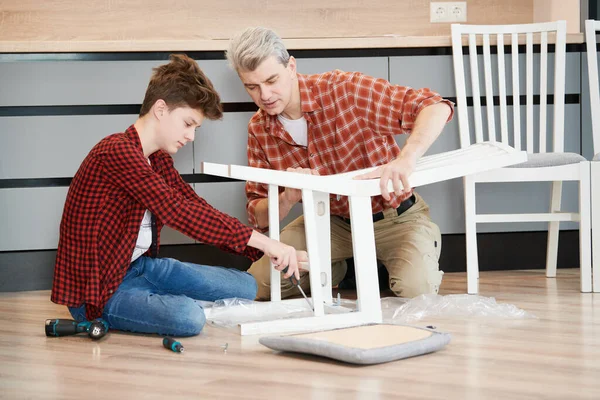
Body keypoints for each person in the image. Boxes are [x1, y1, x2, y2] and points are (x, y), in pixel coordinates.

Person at [50, 54, 305, 337]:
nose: (191, 136)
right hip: (100, 291)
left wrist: (264, 250)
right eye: (188, 123)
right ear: (161, 109)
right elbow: (177, 211)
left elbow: (193, 204)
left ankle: (168, 300)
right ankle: (175, 305)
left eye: (196, 127)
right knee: (188, 318)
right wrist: (268, 243)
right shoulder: (116, 152)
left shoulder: (157, 159)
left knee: (246, 287)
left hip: (139, 268)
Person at [226, 27, 454, 300]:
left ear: (291, 66)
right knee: (260, 283)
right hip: (330, 222)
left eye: (272, 80)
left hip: (395, 217)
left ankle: (381, 260)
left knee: (417, 290)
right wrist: (287, 198)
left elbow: (435, 106)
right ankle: (338, 268)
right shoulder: (258, 128)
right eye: (252, 87)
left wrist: (406, 159)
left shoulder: (345, 90)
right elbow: (258, 215)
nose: (264, 95)